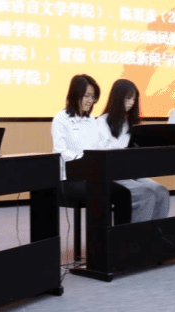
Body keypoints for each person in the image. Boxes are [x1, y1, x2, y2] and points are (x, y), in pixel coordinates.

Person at [52, 74, 134, 222]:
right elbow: (61, 152)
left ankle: (120, 235)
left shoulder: (91, 120)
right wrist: (84, 161)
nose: (91, 101)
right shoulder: (61, 119)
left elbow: (98, 147)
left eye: (93, 97)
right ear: (75, 95)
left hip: (92, 176)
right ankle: (99, 236)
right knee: (100, 193)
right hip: (69, 179)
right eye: (87, 96)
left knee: (123, 193)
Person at [95, 78, 171, 221]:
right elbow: (103, 154)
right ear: (117, 98)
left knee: (162, 192)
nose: (131, 102)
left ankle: (156, 233)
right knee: (146, 194)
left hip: (133, 173)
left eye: (134, 99)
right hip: (114, 175)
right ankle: (137, 234)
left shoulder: (131, 124)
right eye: (128, 98)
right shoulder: (101, 122)